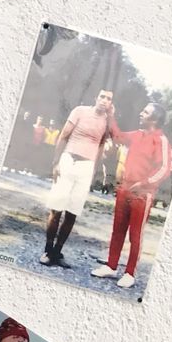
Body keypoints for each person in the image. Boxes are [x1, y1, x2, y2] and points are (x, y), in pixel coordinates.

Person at [91, 102, 172, 291]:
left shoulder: (161, 140)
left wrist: (144, 184)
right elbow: (118, 136)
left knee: (135, 235)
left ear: (154, 118)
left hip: (142, 195)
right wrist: (111, 115)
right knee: (117, 230)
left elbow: (164, 169)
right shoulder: (136, 135)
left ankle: (130, 273)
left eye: (145, 112)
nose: (140, 113)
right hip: (125, 189)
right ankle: (111, 266)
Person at [42, 88, 116, 268]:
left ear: (111, 104)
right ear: (96, 98)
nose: (104, 100)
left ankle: (58, 252)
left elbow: (102, 145)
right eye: (102, 96)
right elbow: (64, 135)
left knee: (72, 212)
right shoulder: (80, 111)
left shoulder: (107, 122)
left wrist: (95, 171)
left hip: (86, 167)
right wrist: (55, 163)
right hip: (68, 160)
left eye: (108, 99)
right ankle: (47, 250)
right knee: (56, 208)